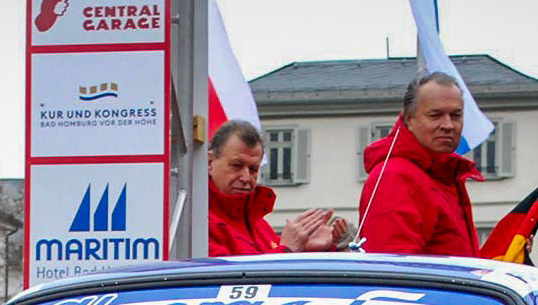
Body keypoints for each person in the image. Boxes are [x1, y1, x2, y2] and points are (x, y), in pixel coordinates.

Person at [355, 72, 481, 256]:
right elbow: (392, 270)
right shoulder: (396, 177)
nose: (448, 125)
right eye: (435, 115)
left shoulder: (442, 176)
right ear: (409, 119)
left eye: (455, 116)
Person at [206, 120, 349, 256]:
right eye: (236, 166)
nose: (246, 178)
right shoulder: (196, 223)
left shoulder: (258, 224)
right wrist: (286, 250)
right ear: (210, 162)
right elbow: (225, 278)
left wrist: (308, 248)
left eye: (253, 169)